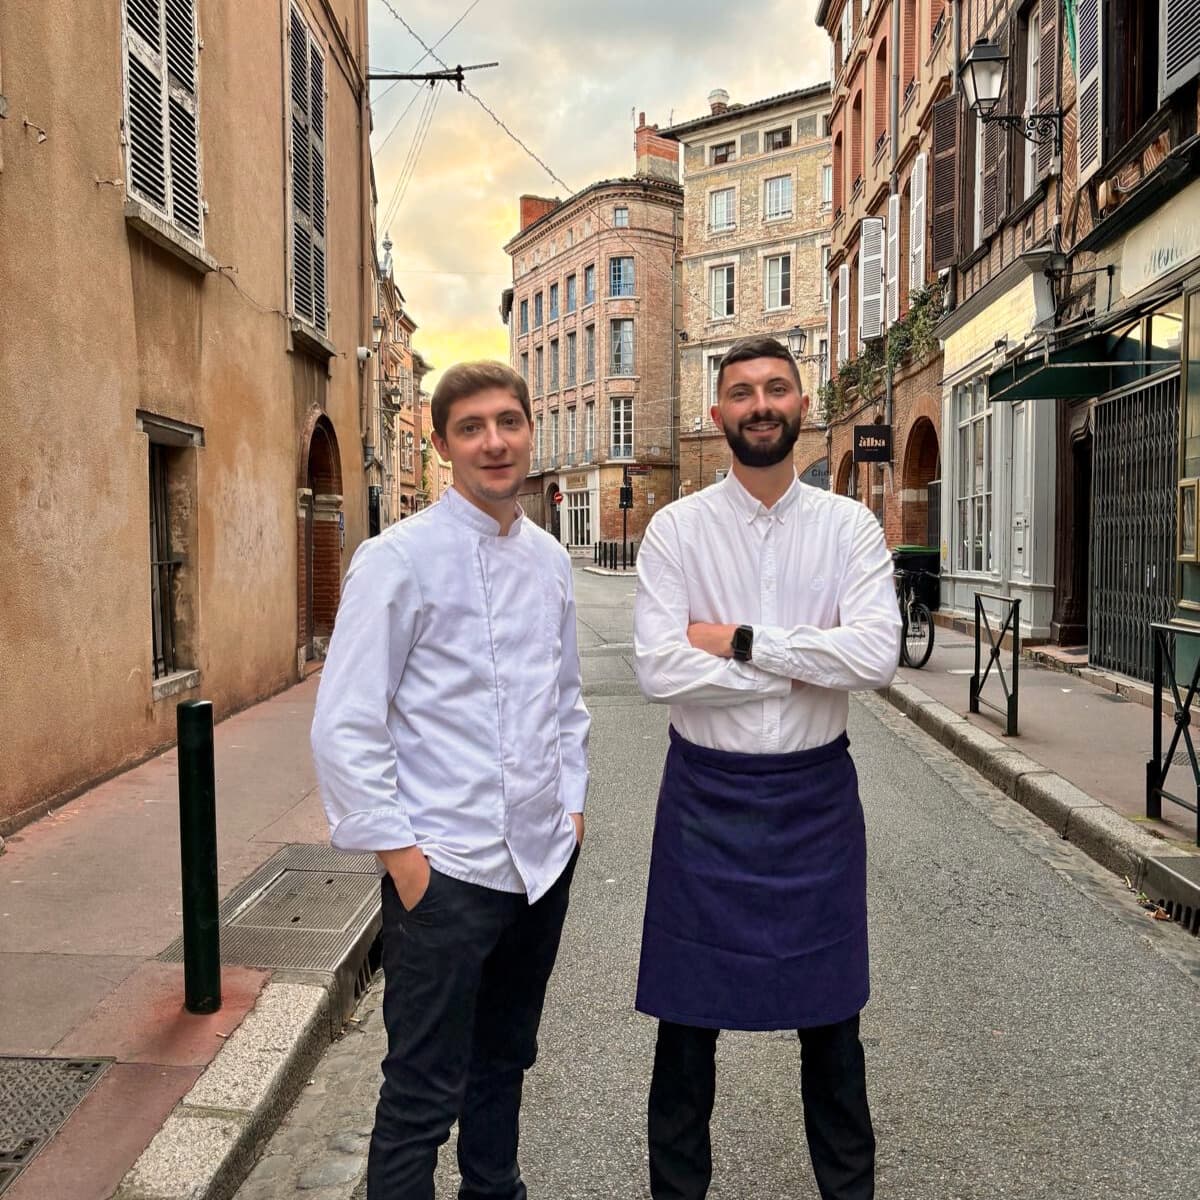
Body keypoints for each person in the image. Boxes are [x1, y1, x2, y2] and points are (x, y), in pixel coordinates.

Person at [310, 360, 590, 1200]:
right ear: (441, 445)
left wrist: (571, 808)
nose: (494, 442)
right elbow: (346, 721)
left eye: (508, 422)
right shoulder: (396, 560)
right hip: (448, 873)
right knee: (422, 1091)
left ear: (531, 430)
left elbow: (566, 697)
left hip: (539, 866)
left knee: (505, 1063)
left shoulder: (548, 559)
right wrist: (402, 857)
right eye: (471, 428)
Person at [632, 335, 901, 1200]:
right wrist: (807, 656)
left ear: (803, 406)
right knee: (685, 1033)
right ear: (717, 417)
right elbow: (660, 670)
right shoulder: (676, 529)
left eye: (776, 389)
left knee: (833, 1033)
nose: (760, 404)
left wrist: (742, 641)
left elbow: (876, 658)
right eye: (742, 392)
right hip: (704, 803)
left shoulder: (851, 527)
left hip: (815, 801)